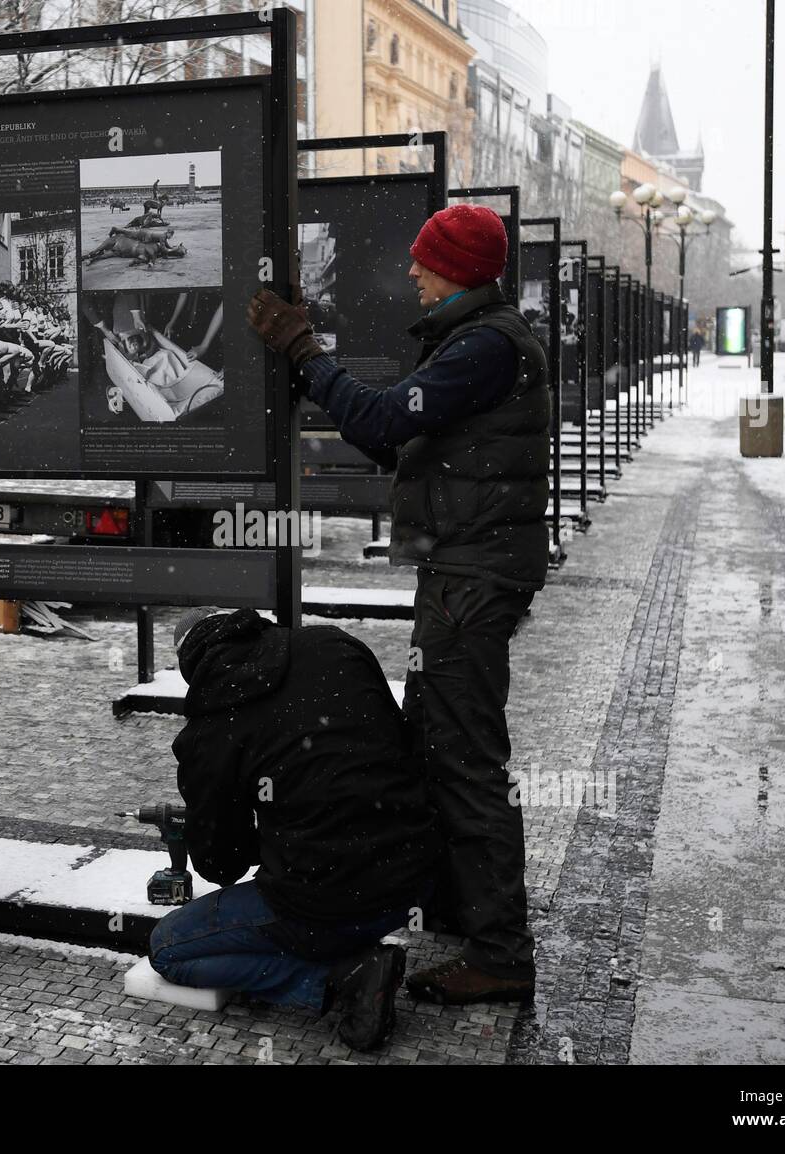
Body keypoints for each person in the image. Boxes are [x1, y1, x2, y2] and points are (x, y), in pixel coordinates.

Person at [247, 203, 550, 1006]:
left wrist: (305, 351)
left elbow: (386, 416)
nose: (411, 272)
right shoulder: (478, 340)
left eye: (423, 261)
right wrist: (318, 375)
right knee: (437, 743)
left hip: (470, 578)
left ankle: (500, 951)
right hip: (465, 572)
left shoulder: (486, 345)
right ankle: (461, 907)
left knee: (464, 759)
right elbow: (394, 436)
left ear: (454, 267)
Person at [149, 609, 438, 1051]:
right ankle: (348, 952)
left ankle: (339, 979)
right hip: (414, 882)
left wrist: (239, 819)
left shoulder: (209, 731)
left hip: (321, 905)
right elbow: (388, 744)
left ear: (191, 666)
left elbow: (221, 866)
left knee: (168, 948)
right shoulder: (336, 646)